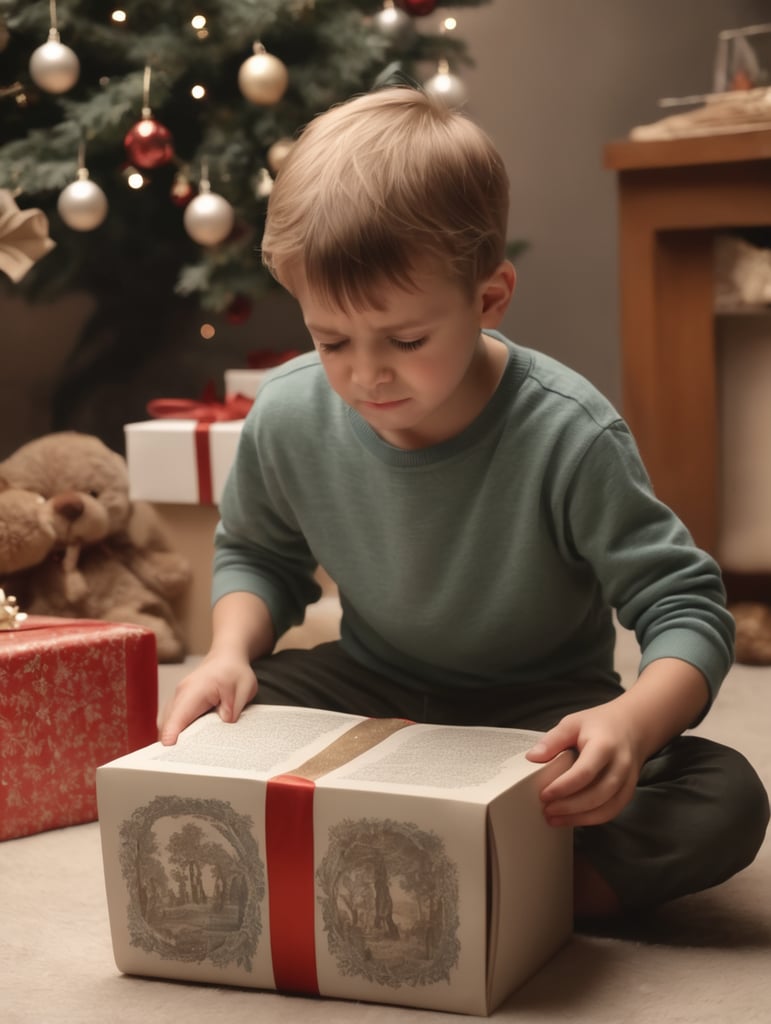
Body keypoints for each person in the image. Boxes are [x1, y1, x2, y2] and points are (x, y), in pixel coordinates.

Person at [160, 86, 769, 918]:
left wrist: (628, 724)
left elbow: (688, 608)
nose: (365, 373)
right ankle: (424, 870)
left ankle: (533, 904)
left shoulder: (570, 433)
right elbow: (258, 556)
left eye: (406, 341)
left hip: (537, 717)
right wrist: (227, 652)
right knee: (209, 728)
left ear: (489, 298)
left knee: (723, 797)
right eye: (330, 339)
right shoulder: (290, 412)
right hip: (372, 686)